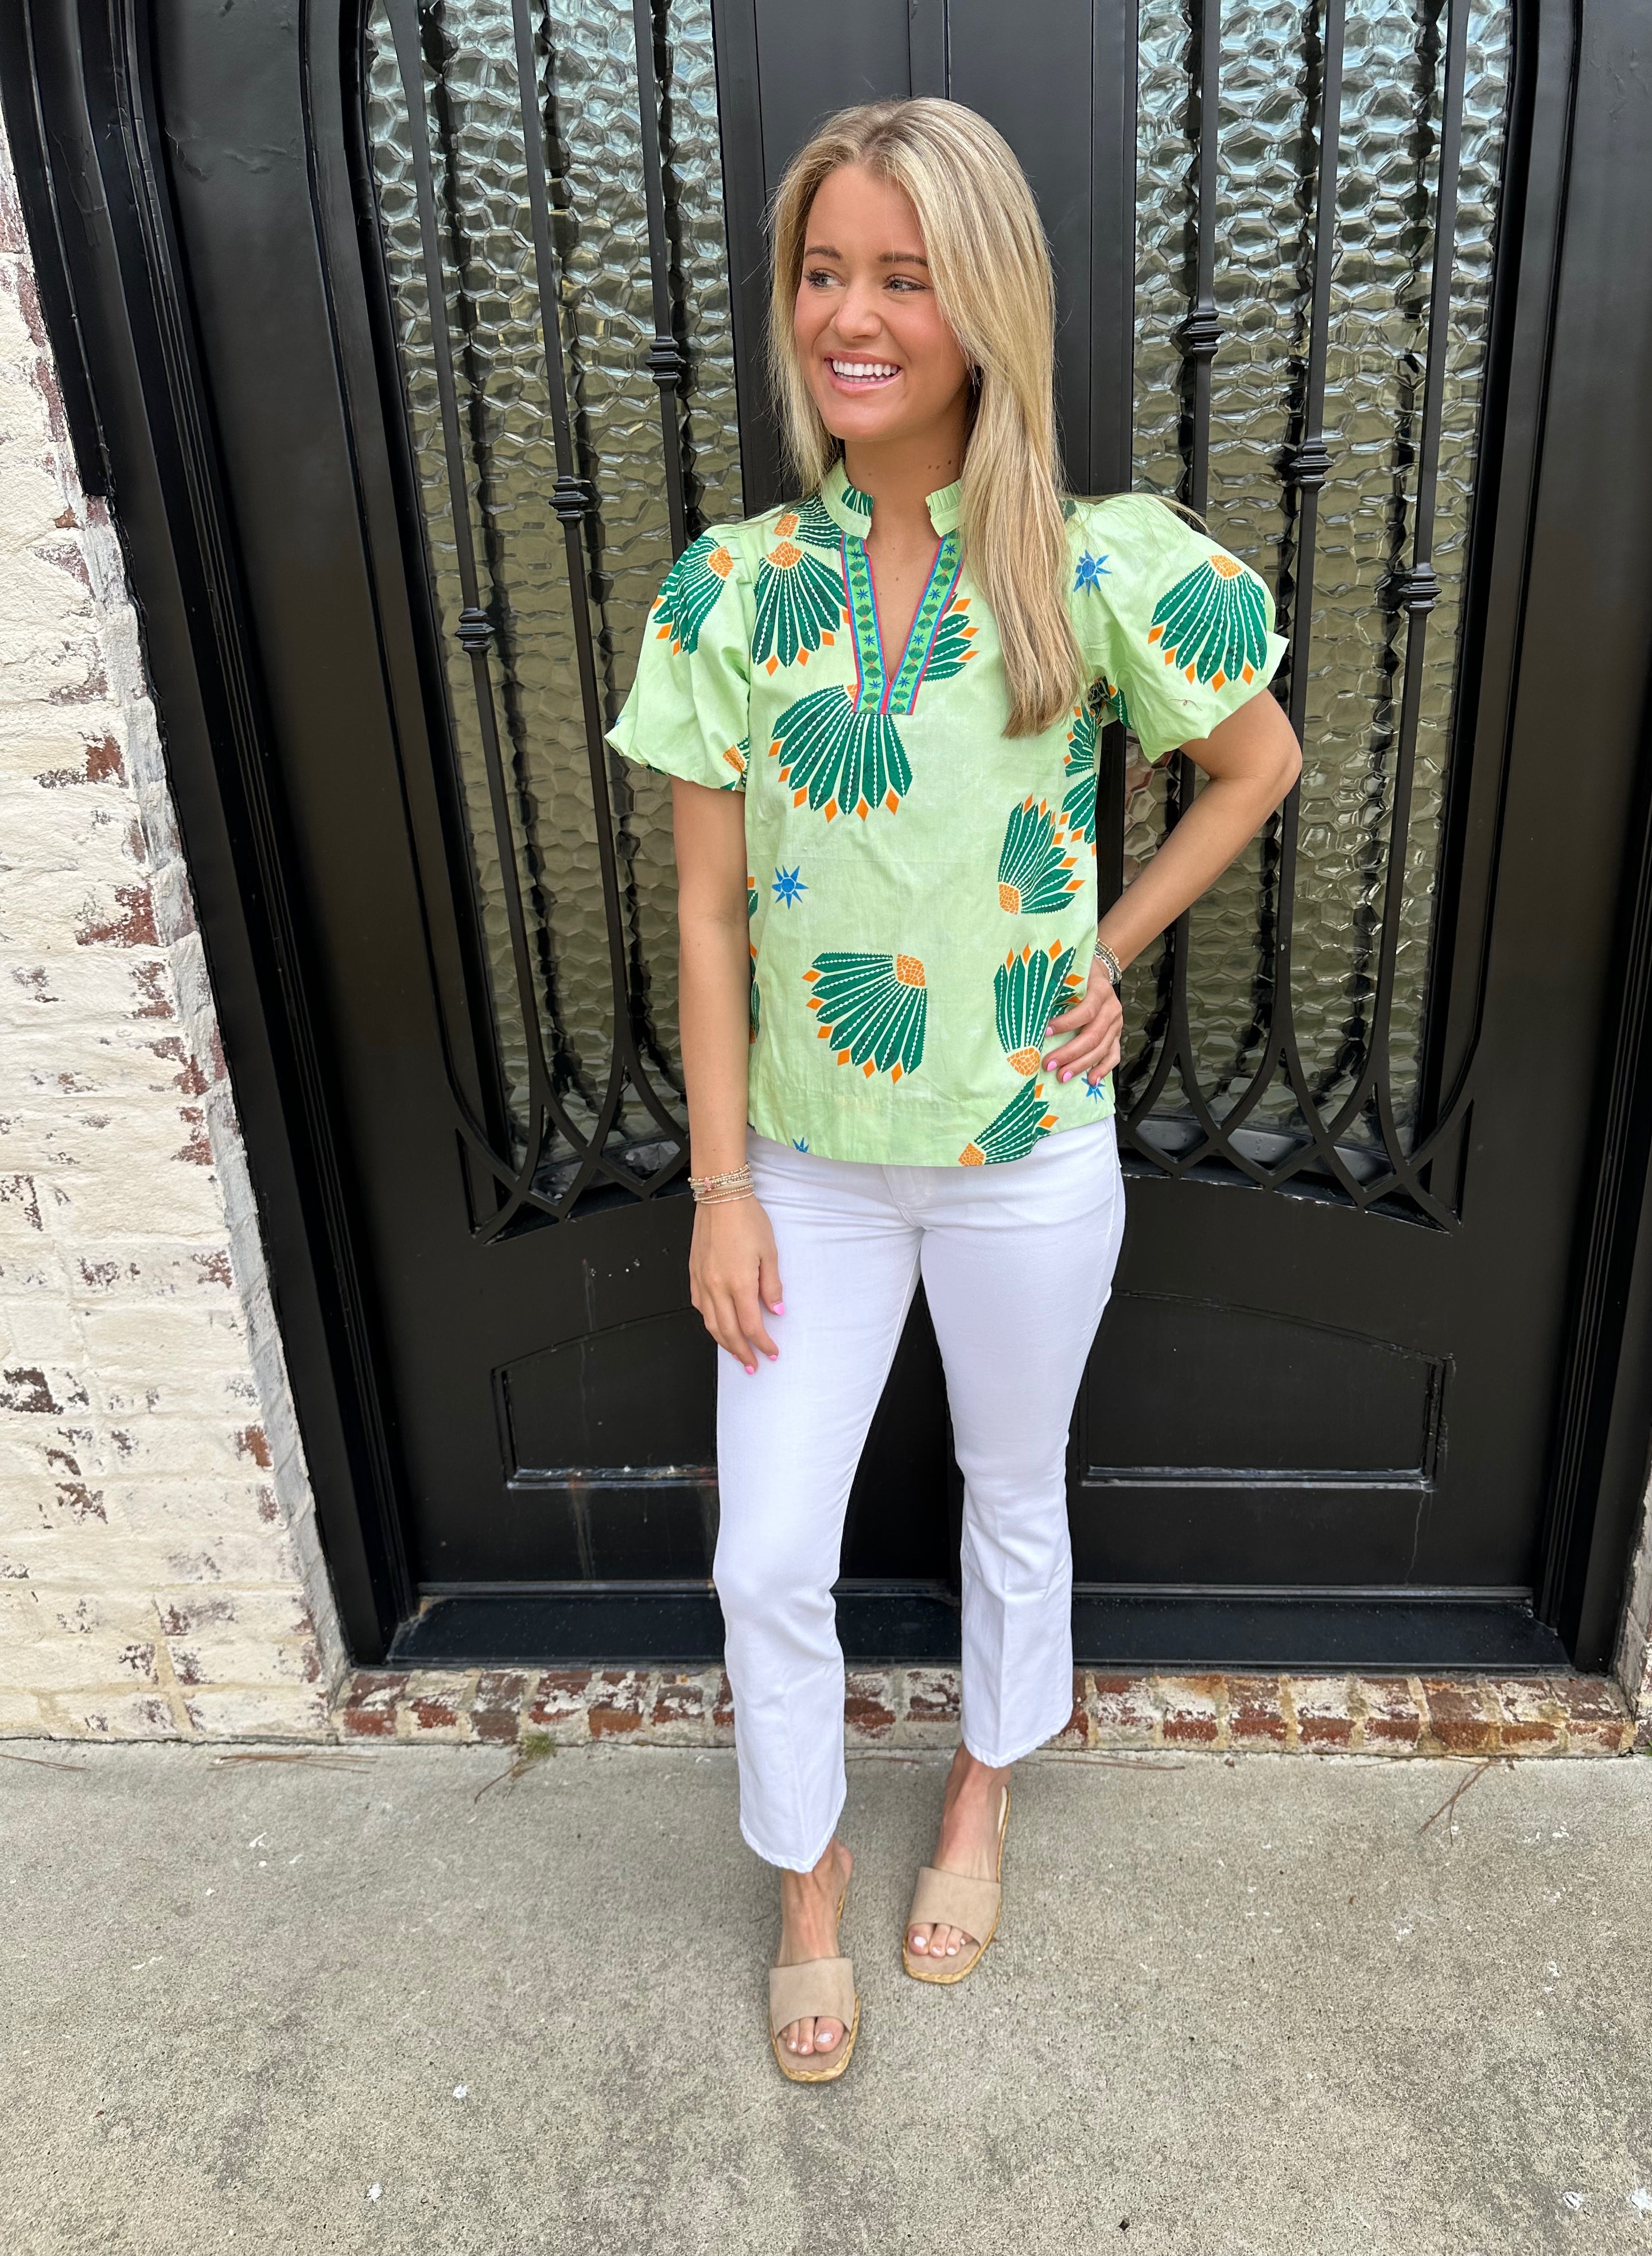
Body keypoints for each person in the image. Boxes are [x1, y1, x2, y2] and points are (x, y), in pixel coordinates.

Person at [605, 96, 1300, 2083]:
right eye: (825, 271)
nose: (853, 313)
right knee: (766, 1555)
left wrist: (1108, 942)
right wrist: (720, 1183)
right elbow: (713, 913)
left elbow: (1259, 762)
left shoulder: (1091, 568)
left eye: (902, 276)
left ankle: (984, 1795)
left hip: (1021, 1154)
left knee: (1012, 1494)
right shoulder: (735, 588)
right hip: (809, 1166)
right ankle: (809, 1872)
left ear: (980, 306)